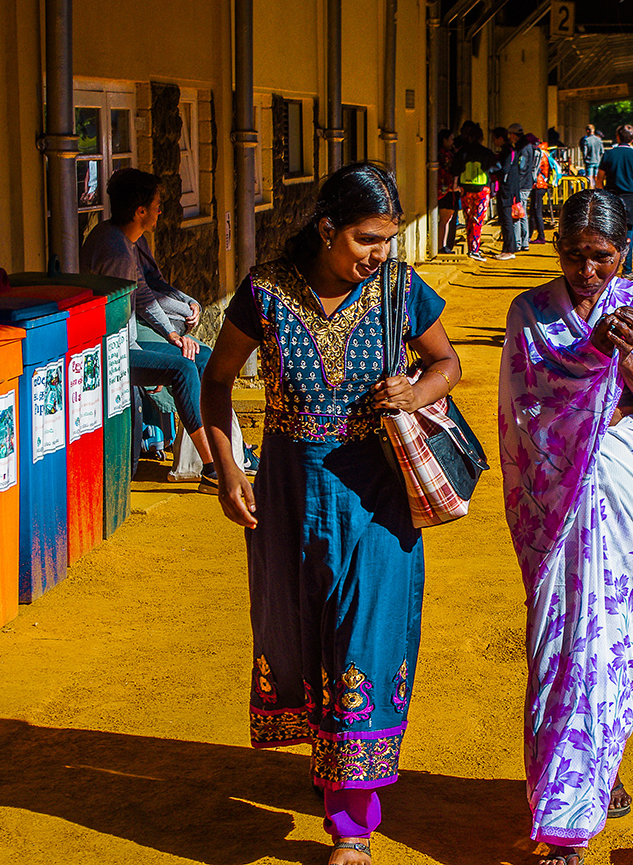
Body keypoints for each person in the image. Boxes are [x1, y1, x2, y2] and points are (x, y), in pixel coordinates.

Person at [200, 162, 462, 865]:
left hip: (376, 495)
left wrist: (415, 389)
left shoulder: (400, 291)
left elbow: (448, 363)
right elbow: (218, 378)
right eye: (368, 238)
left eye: (388, 239)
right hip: (288, 493)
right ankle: (329, 772)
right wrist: (228, 468)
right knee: (303, 635)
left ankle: (352, 826)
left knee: (364, 643)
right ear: (327, 229)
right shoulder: (265, 292)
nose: (380, 253)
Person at [499, 188, 633, 865]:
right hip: (553, 503)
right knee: (559, 648)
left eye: (600, 258)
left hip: (622, 495)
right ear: (558, 250)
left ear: (622, 250)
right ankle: (560, 818)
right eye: (573, 257)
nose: (586, 271)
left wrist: (626, 359)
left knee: (615, 642)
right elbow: (522, 413)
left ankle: (597, 771)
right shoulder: (531, 315)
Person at [81, 168, 223, 489]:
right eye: (157, 204)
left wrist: (173, 336)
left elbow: (143, 293)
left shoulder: (125, 240)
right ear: (140, 211)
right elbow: (114, 325)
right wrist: (152, 371)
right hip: (111, 354)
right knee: (183, 370)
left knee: (202, 357)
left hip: (128, 344)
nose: (161, 210)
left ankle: (225, 450)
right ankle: (212, 469)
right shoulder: (115, 251)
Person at [595, 123, 633, 277]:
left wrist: (604, 194)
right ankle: (628, 269)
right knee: (628, 236)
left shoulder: (609, 154)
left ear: (618, 137)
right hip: (631, 198)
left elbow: (599, 179)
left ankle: (608, 268)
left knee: (609, 235)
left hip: (612, 198)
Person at [452, 123, 500, 261]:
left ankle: (471, 247)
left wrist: (456, 184)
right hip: (482, 189)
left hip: (465, 190)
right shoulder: (486, 152)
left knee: (468, 218)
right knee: (478, 219)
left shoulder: (462, 152)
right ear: (482, 138)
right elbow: (496, 168)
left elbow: (455, 169)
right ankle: (475, 249)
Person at [508, 123, 542, 255]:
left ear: (512, 134)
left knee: (517, 213)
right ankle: (523, 241)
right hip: (526, 184)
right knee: (522, 213)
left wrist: (514, 183)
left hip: (521, 185)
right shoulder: (528, 146)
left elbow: (521, 167)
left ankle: (518, 242)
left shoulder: (522, 148)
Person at [491, 126, 522, 260]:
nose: (494, 142)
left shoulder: (508, 151)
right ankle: (508, 248)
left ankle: (509, 250)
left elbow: (504, 170)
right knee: (505, 220)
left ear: (500, 138)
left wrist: (492, 171)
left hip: (507, 190)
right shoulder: (510, 150)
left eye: (495, 139)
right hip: (509, 189)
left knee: (506, 220)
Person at [437, 128, 460, 254]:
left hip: (448, 189)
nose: (452, 142)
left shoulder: (448, 153)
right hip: (445, 190)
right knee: (445, 218)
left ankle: (443, 244)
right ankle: (441, 245)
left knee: (447, 219)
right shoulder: (444, 156)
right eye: (450, 139)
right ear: (444, 140)